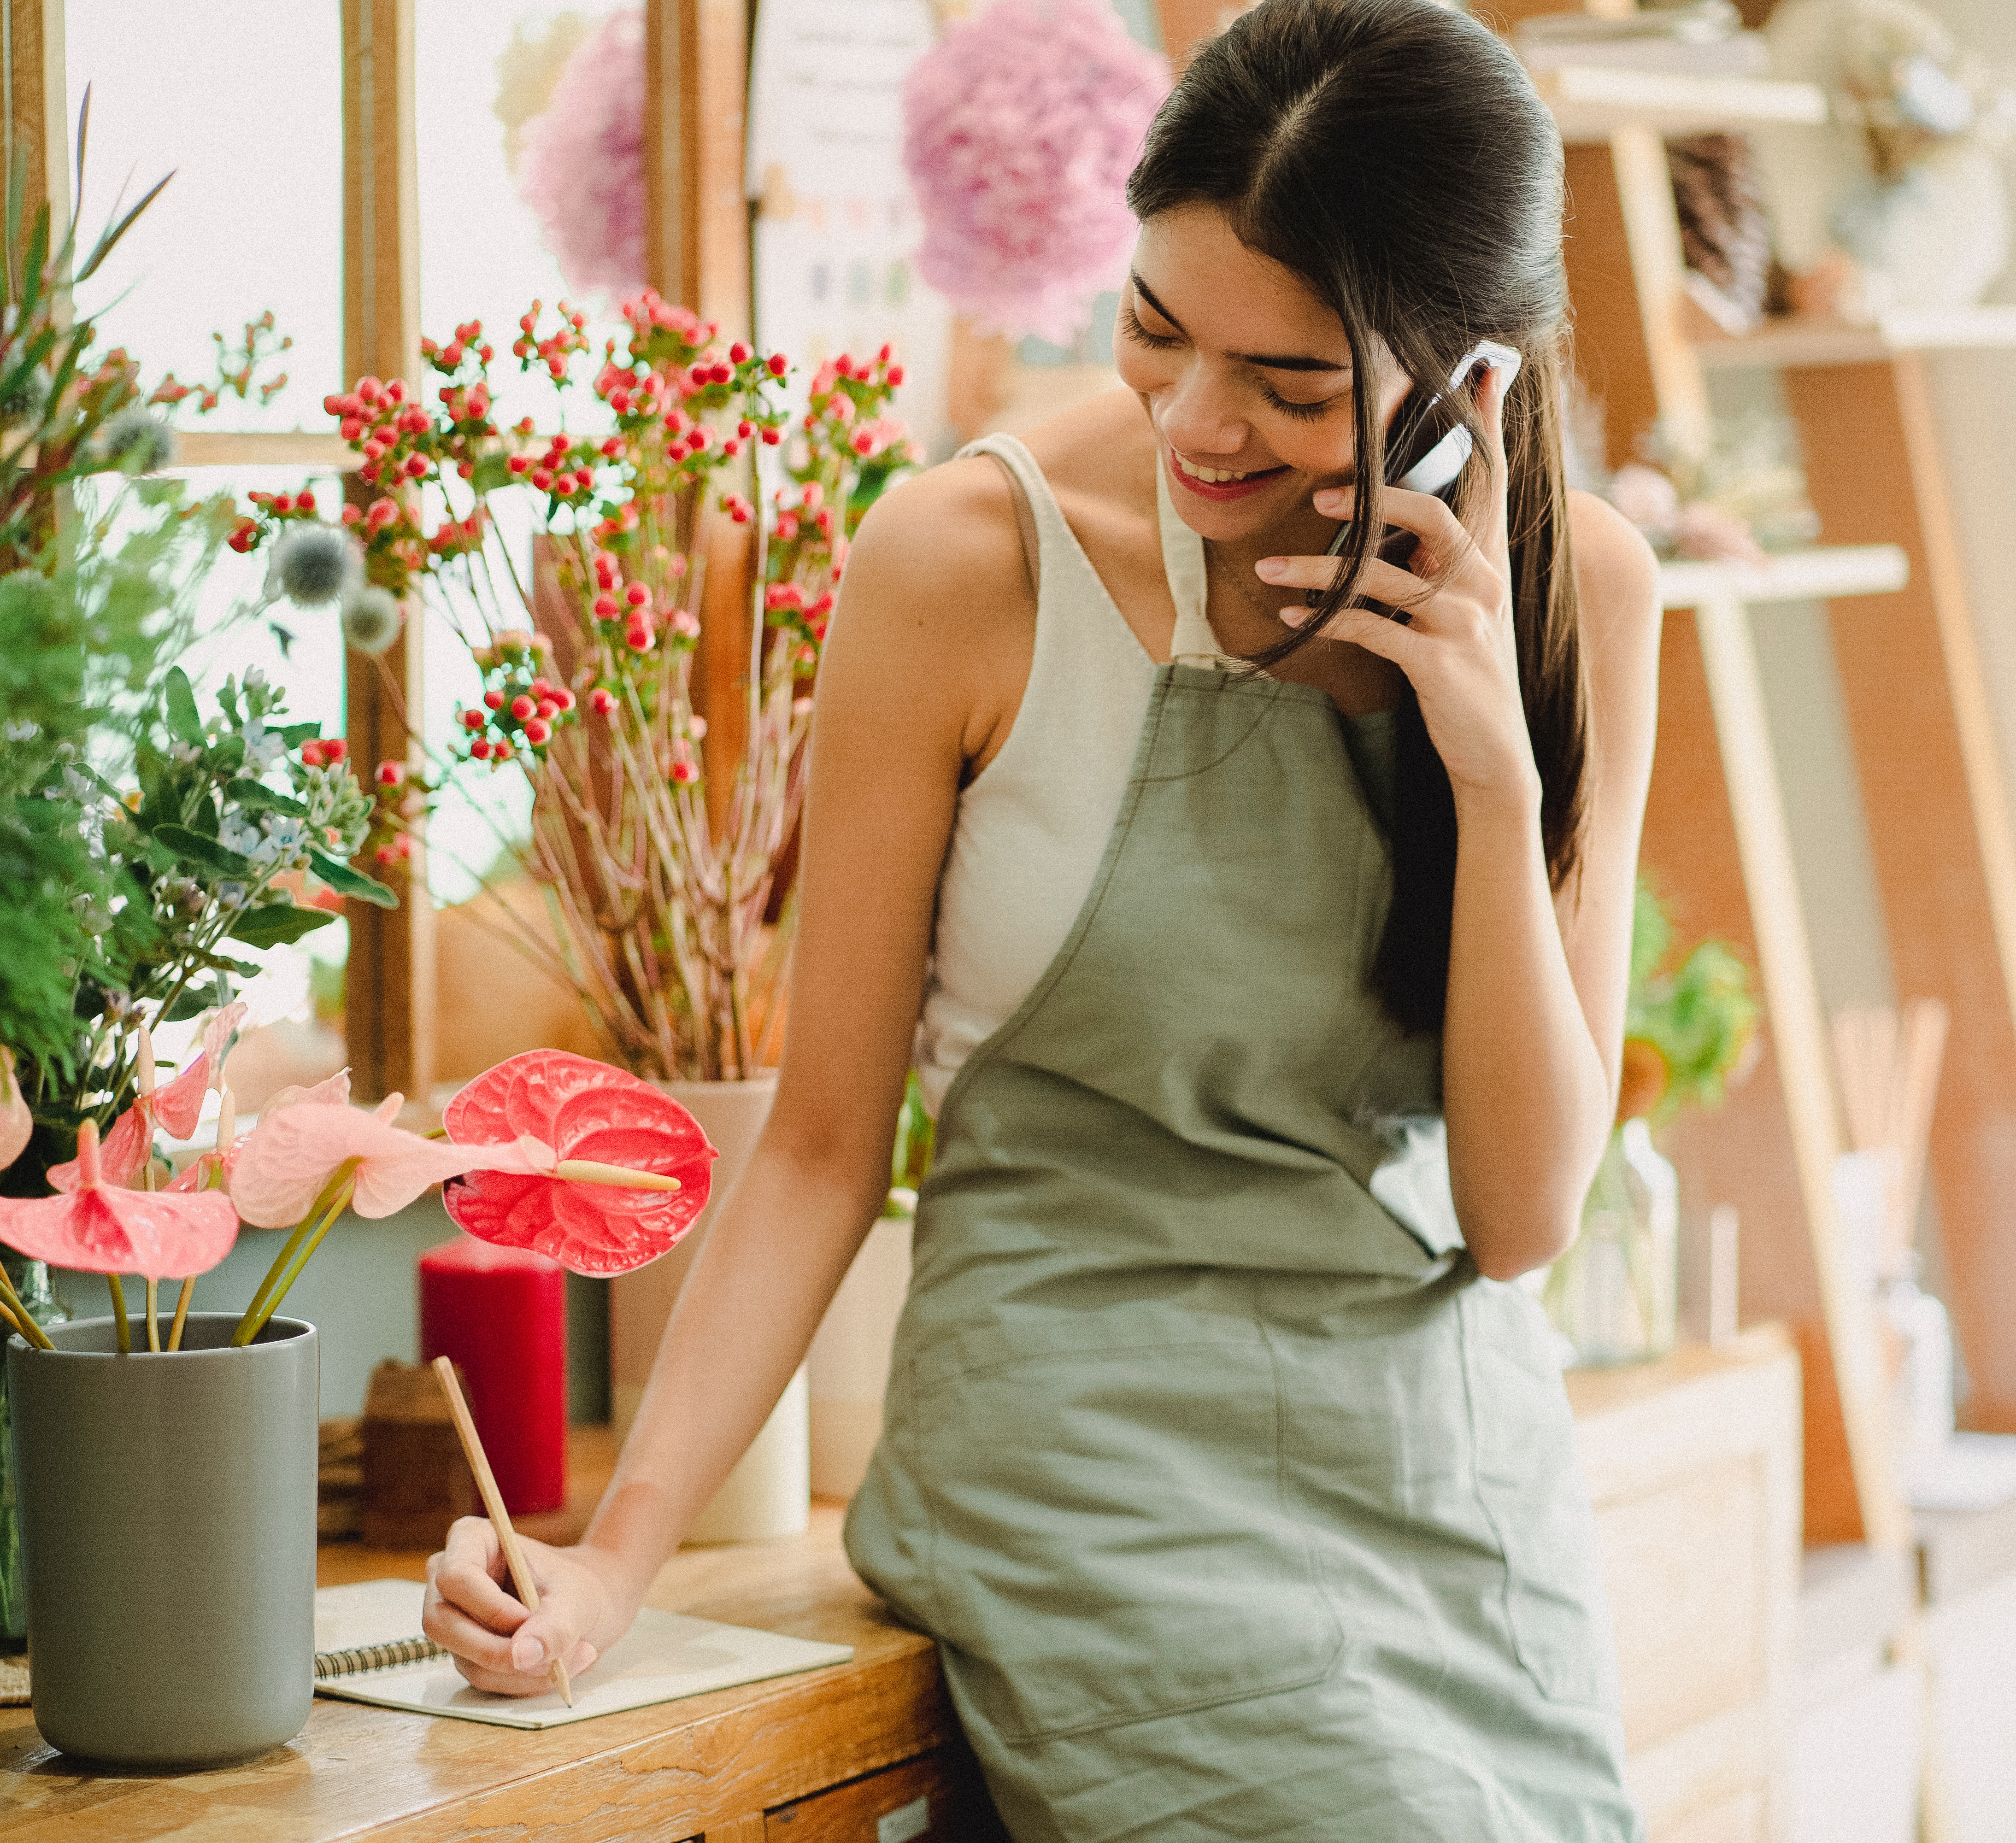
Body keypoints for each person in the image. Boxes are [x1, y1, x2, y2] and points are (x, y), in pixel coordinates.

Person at [424, 0, 1661, 1832]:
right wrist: (616, 1559)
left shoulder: (1584, 594)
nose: (1200, 419)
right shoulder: (962, 566)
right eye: (1158, 328)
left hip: (1446, 1499)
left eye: (1296, 386)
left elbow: (1519, 1214)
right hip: (1081, 1472)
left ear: (1466, 387)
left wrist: (1495, 777)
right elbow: (826, 1145)